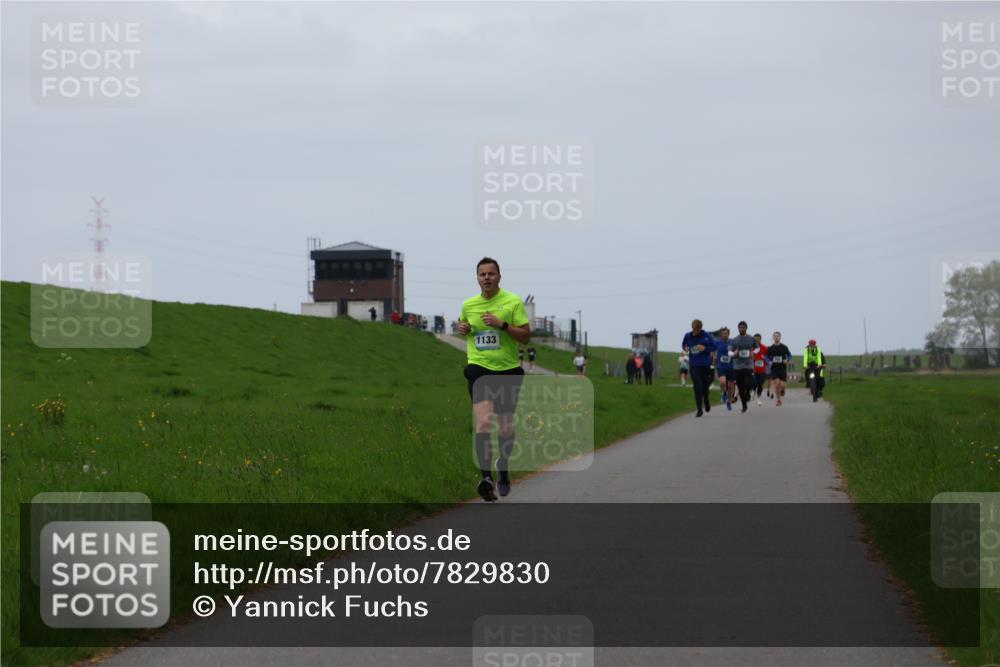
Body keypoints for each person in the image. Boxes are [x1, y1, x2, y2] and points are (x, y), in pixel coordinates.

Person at [456, 257, 532, 501]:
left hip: (508, 370)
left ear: (499, 276)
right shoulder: (469, 305)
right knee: (483, 423)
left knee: (506, 427)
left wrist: (503, 325)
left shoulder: (512, 301)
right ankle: (486, 478)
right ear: (477, 278)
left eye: (491, 273)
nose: (486, 278)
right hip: (479, 368)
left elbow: (526, 337)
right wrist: (463, 329)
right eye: (482, 274)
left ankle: (503, 466)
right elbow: (464, 326)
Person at [681, 319, 716, 417]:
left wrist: (705, 348)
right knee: (697, 386)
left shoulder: (707, 336)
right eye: (694, 330)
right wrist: (686, 348)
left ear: (700, 328)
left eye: (697, 330)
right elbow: (684, 344)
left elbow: (714, 347)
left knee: (705, 387)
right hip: (694, 365)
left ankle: (706, 400)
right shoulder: (688, 335)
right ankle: (699, 409)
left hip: (705, 365)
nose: (695, 332)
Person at [729, 321, 756, 413]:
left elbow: (757, 348)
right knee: (740, 387)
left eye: (743, 327)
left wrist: (753, 352)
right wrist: (734, 353)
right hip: (737, 366)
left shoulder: (751, 339)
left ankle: (748, 392)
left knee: (750, 382)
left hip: (748, 365)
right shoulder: (735, 340)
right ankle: (744, 405)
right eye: (740, 328)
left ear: (746, 328)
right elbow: (729, 352)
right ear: (738, 329)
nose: (741, 329)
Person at [767, 331, 792, 407]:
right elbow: (766, 357)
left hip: (782, 368)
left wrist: (787, 360)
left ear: (780, 337)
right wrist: (769, 362)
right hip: (774, 368)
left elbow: (790, 355)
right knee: (777, 384)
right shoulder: (770, 348)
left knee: (782, 385)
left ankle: (783, 389)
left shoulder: (784, 347)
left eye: (778, 336)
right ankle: (778, 400)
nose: (776, 337)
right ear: (773, 337)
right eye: (775, 336)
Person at [713, 327, 734, 411]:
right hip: (721, 366)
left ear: (728, 334)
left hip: (731, 366)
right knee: (722, 382)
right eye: (723, 334)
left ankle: (729, 401)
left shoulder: (732, 342)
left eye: (726, 333)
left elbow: (737, 350)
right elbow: (713, 349)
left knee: (731, 385)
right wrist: (714, 356)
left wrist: (734, 354)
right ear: (721, 335)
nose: (724, 335)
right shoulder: (717, 342)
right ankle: (724, 393)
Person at [752, 333, 768, 407]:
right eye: (755, 339)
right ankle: (753, 391)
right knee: (755, 383)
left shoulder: (764, 348)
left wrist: (764, 358)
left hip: (762, 370)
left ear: (760, 339)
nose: (757, 340)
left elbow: (768, 358)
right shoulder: (751, 348)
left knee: (760, 384)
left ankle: (759, 398)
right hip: (754, 369)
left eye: (758, 339)